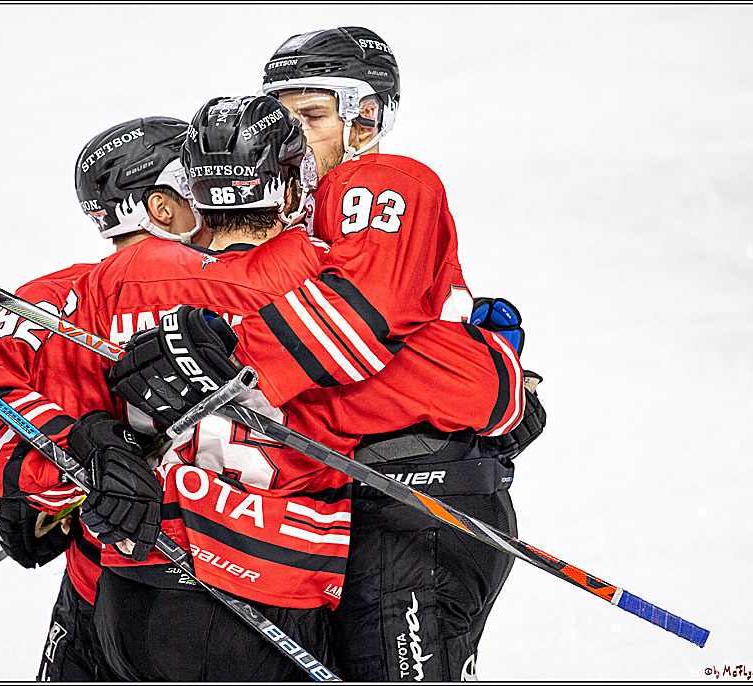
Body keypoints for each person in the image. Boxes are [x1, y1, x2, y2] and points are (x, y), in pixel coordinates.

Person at [107, 27, 546, 680]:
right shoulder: (296, 219)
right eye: (280, 117)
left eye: (310, 116)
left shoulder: (380, 179)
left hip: (417, 496)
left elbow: (364, 312)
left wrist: (222, 357)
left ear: (364, 118)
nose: (292, 135)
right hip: (358, 503)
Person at [0, 116, 203, 681]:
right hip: (220, 597)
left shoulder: (52, 297)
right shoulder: (238, 281)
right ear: (163, 202)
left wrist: (47, 478)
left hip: (94, 592)